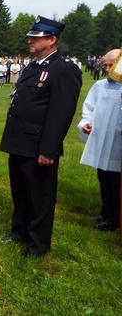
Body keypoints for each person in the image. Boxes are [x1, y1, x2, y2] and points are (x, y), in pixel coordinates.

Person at [0, 16, 82, 257]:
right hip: (19, 141)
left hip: (38, 145)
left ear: (52, 40)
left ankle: (37, 244)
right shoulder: (33, 67)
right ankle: (19, 233)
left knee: (40, 197)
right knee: (21, 192)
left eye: (36, 37)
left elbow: (61, 113)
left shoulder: (63, 69)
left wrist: (49, 149)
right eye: (31, 37)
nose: (30, 41)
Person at [77, 49, 121, 232]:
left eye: (111, 64)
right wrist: (86, 123)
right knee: (103, 176)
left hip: (117, 141)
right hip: (101, 138)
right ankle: (105, 211)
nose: (107, 68)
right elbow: (89, 107)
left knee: (115, 180)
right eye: (105, 65)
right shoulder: (100, 86)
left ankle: (114, 217)